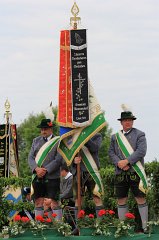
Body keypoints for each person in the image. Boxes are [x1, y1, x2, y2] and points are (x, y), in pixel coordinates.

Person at [108, 110, 148, 233]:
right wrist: (119, 163)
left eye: (130, 120)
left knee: (140, 198)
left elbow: (141, 151)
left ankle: (145, 227)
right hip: (120, 172)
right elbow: (111, 153)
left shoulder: (140, 134)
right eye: (125, 120)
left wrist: (127, 162)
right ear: (121, 123)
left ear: (132, 121)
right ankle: (123, 228)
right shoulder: (115, 137)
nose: (128, 122)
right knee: (121, 199)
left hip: (136, 172)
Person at [28, 118, 63, 220]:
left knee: (54, 202)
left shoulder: (58, 141)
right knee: (38, 201)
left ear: (51, 129)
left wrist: (46, 170)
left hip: (52, 176)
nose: (43, 131)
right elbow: (30, 157)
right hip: (37, 176)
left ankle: (59, 228)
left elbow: (58, 159)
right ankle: (39, 229)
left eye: (46, 129)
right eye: (42, 129)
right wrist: (36, 169)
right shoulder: (35, 141)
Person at [72, 133, 104, 218]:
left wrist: (84, 137)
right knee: (78, 200)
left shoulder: (96, 135)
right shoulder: (72, 136)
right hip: (78, 171)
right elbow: (68, 155)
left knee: (97, 198)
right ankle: (79, 226)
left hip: (92, 172)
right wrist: (73, 161)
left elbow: (95, 148)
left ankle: (100, 226)